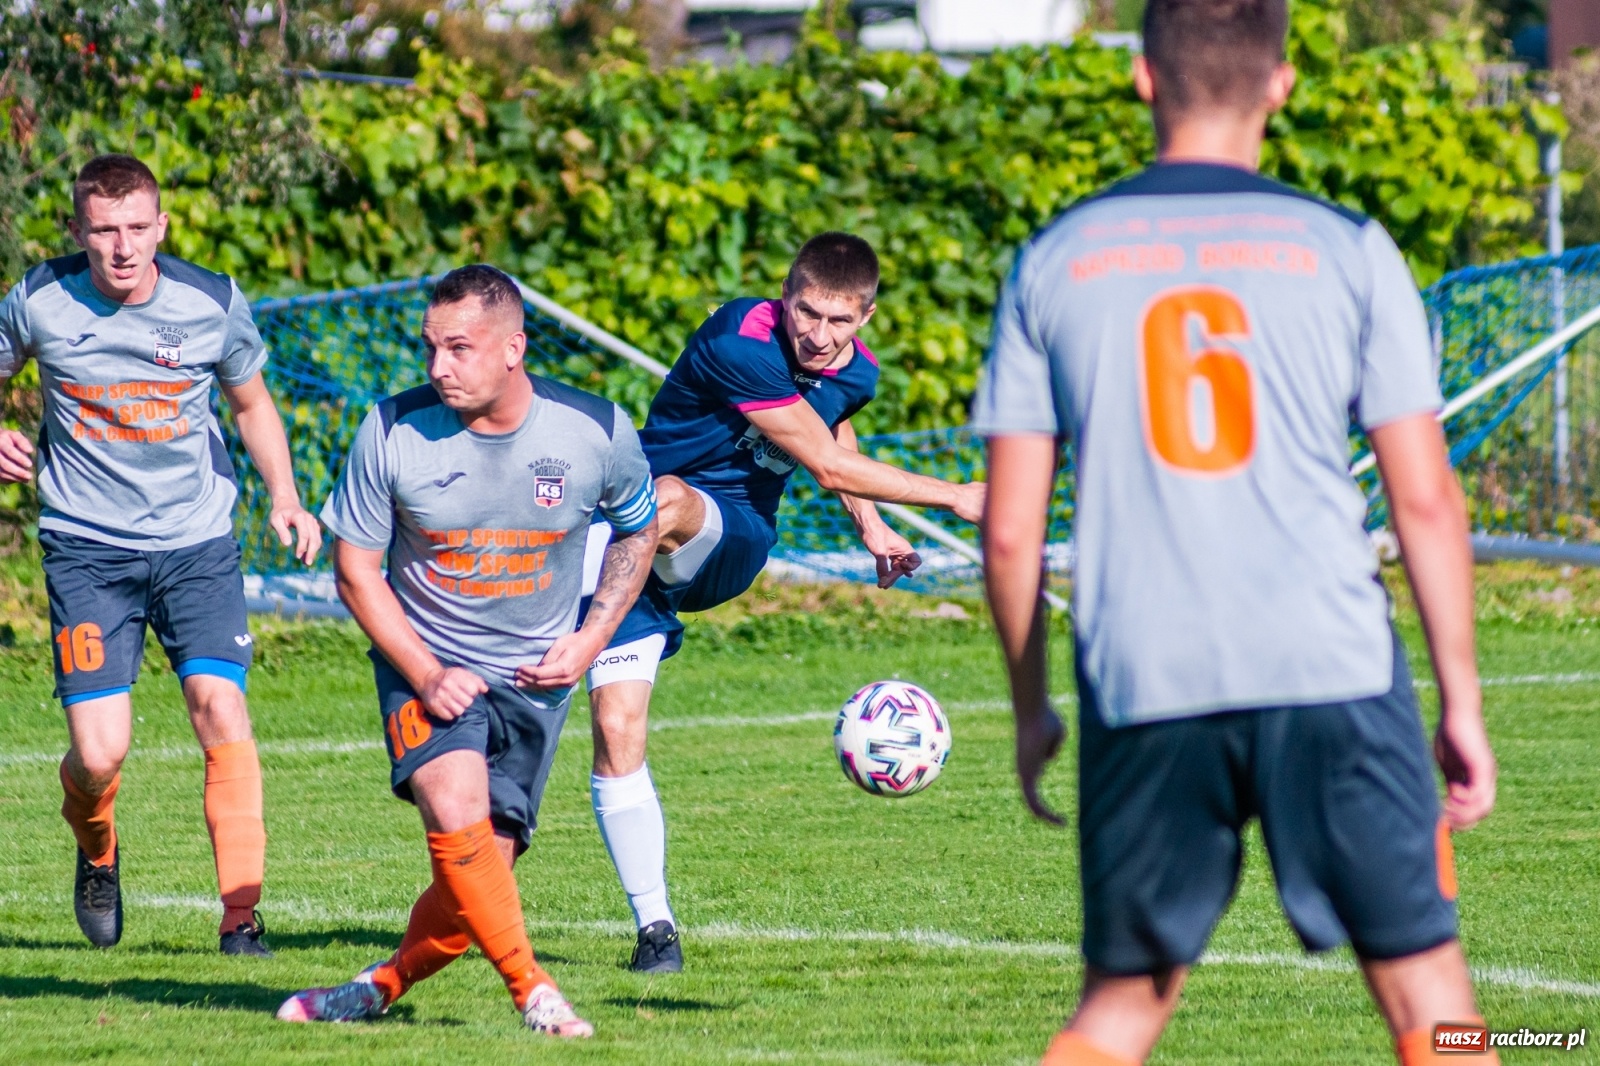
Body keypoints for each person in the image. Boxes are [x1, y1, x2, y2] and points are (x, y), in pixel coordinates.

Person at [973, 1, 1500, 1063]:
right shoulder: (1347, 247)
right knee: (1428, 1000)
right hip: (1331, 667)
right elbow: (1426, 501)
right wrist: (1462, 700)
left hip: (1145, 673)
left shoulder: (1053, 259)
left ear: (1140, 79)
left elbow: (1010, 534)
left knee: (1120, 1010)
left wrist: (1031, 708)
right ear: (1281, 84)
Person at [578, 232, 986, 972]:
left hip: (725, 539)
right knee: (615, 725)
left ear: (865, 317)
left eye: (839, 322)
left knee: (665, 500)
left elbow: (830, 425)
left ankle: (571, 633)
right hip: (621, 554)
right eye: (807, 313)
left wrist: (873, 525)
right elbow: (828, 462)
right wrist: (960, 497)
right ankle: (656, 931)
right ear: (785, 297)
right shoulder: (740, 337)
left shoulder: (854, 372)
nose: (819, 335)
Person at [278, 265, 658, 1037]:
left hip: (534, 681)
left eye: (460, 348)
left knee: (471, 887)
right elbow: (355, 571)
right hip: (426, 662)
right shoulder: (392, 431)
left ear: (514, 348)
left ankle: (374, 989)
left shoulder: (596, 431)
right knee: (455, 812)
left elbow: (639, 528)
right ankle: (533, 990)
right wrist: (424, 670)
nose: (438, 367)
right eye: (430, 348)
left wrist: (589, 640)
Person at [0, 154, 321, 955]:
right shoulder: (39, 300)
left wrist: (284, 496)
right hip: (87, 551)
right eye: (104, 230)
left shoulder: (209, 303)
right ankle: (96, 841)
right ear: (78, 231)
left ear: (161, 226)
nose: (122, 247)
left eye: (137, 228)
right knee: (100, 753)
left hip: (197, 544)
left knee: (221, 709)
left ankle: (241, 919)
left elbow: (252, 404)